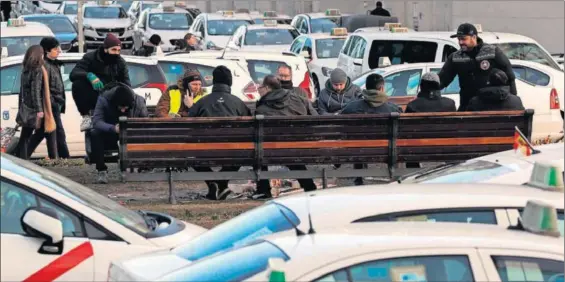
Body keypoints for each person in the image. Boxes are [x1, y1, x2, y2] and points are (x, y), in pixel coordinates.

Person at [189, 66, 252, 200]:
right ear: (229, 82)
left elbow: (189, 123)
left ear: (214, 81)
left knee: (190, 154)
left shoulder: (202, 102)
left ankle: (213, 184)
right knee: (242, 151)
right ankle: (222, 183)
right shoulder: (238, 103)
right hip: (233, 151)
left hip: (204, 150)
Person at [253, 75, 318, 198]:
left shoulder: (261, 109)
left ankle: (263, 189)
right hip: (301, 147)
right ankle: (309, 186)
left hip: (271, 150)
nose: (259, 89)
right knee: (291, 154)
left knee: (259, 151)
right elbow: (316, 118)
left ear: (267, 88)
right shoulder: (300, 100)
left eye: (261, 86)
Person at [438, 23, 517, 111]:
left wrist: (512, 102)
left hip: (490, 106)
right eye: (459, 39)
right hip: (467, 106)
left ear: (474, 37)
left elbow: (510, 76)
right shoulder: (455, 57)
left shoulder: (492, 52)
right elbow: (442, 79)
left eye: (464, 39)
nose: (460, 42)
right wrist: (428, 93)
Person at [340, 73, 402, 185]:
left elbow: (340, 124)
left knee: (358, 140)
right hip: (388, 151)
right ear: (382, 88)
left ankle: (359, 177)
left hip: (358, 151)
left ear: (366, 88)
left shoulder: (351, 107)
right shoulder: (394, 109)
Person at [70, 34, 131, 132]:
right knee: (77, 84)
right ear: (105, 49)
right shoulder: (90, 57)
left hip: (111, 97)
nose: (116, 53)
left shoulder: (120, 62)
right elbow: (74, 74)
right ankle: (86, 117)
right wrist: (89, 75)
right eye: (114, 50)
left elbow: (126, 83)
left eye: (119, 50)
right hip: (93, 94)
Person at [91, 83, 148, 184]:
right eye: (120, 107)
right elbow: (96, 121)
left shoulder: (139, 101)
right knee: (95, 134)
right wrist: (113, 128)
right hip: (110, 133)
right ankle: (102, 170)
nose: (123, 110)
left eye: (125, 107)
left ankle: (130, 168)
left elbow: (145, 122)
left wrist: (131, 128)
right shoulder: (104, 99)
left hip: (131, 134)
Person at [25, 37, 70, 159]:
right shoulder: (44, 66)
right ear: (46, 51)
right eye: (55, 49)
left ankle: (22, 155)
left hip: (52, 105)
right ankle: (64, 158)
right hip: (50, 105)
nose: (59, 51)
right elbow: (42, 88)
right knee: (58, 134)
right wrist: (52, 103)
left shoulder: (53, 65)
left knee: (41, 133)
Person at [15, 45, 57, 160]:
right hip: (35, 108)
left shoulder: (25, 69)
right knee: (47, 131)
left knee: (26, 136)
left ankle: (22, 158)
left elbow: (23, 91)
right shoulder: (37, 69)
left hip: (27, 106)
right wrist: (39, 110)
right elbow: (36, 90)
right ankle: (23, 159)